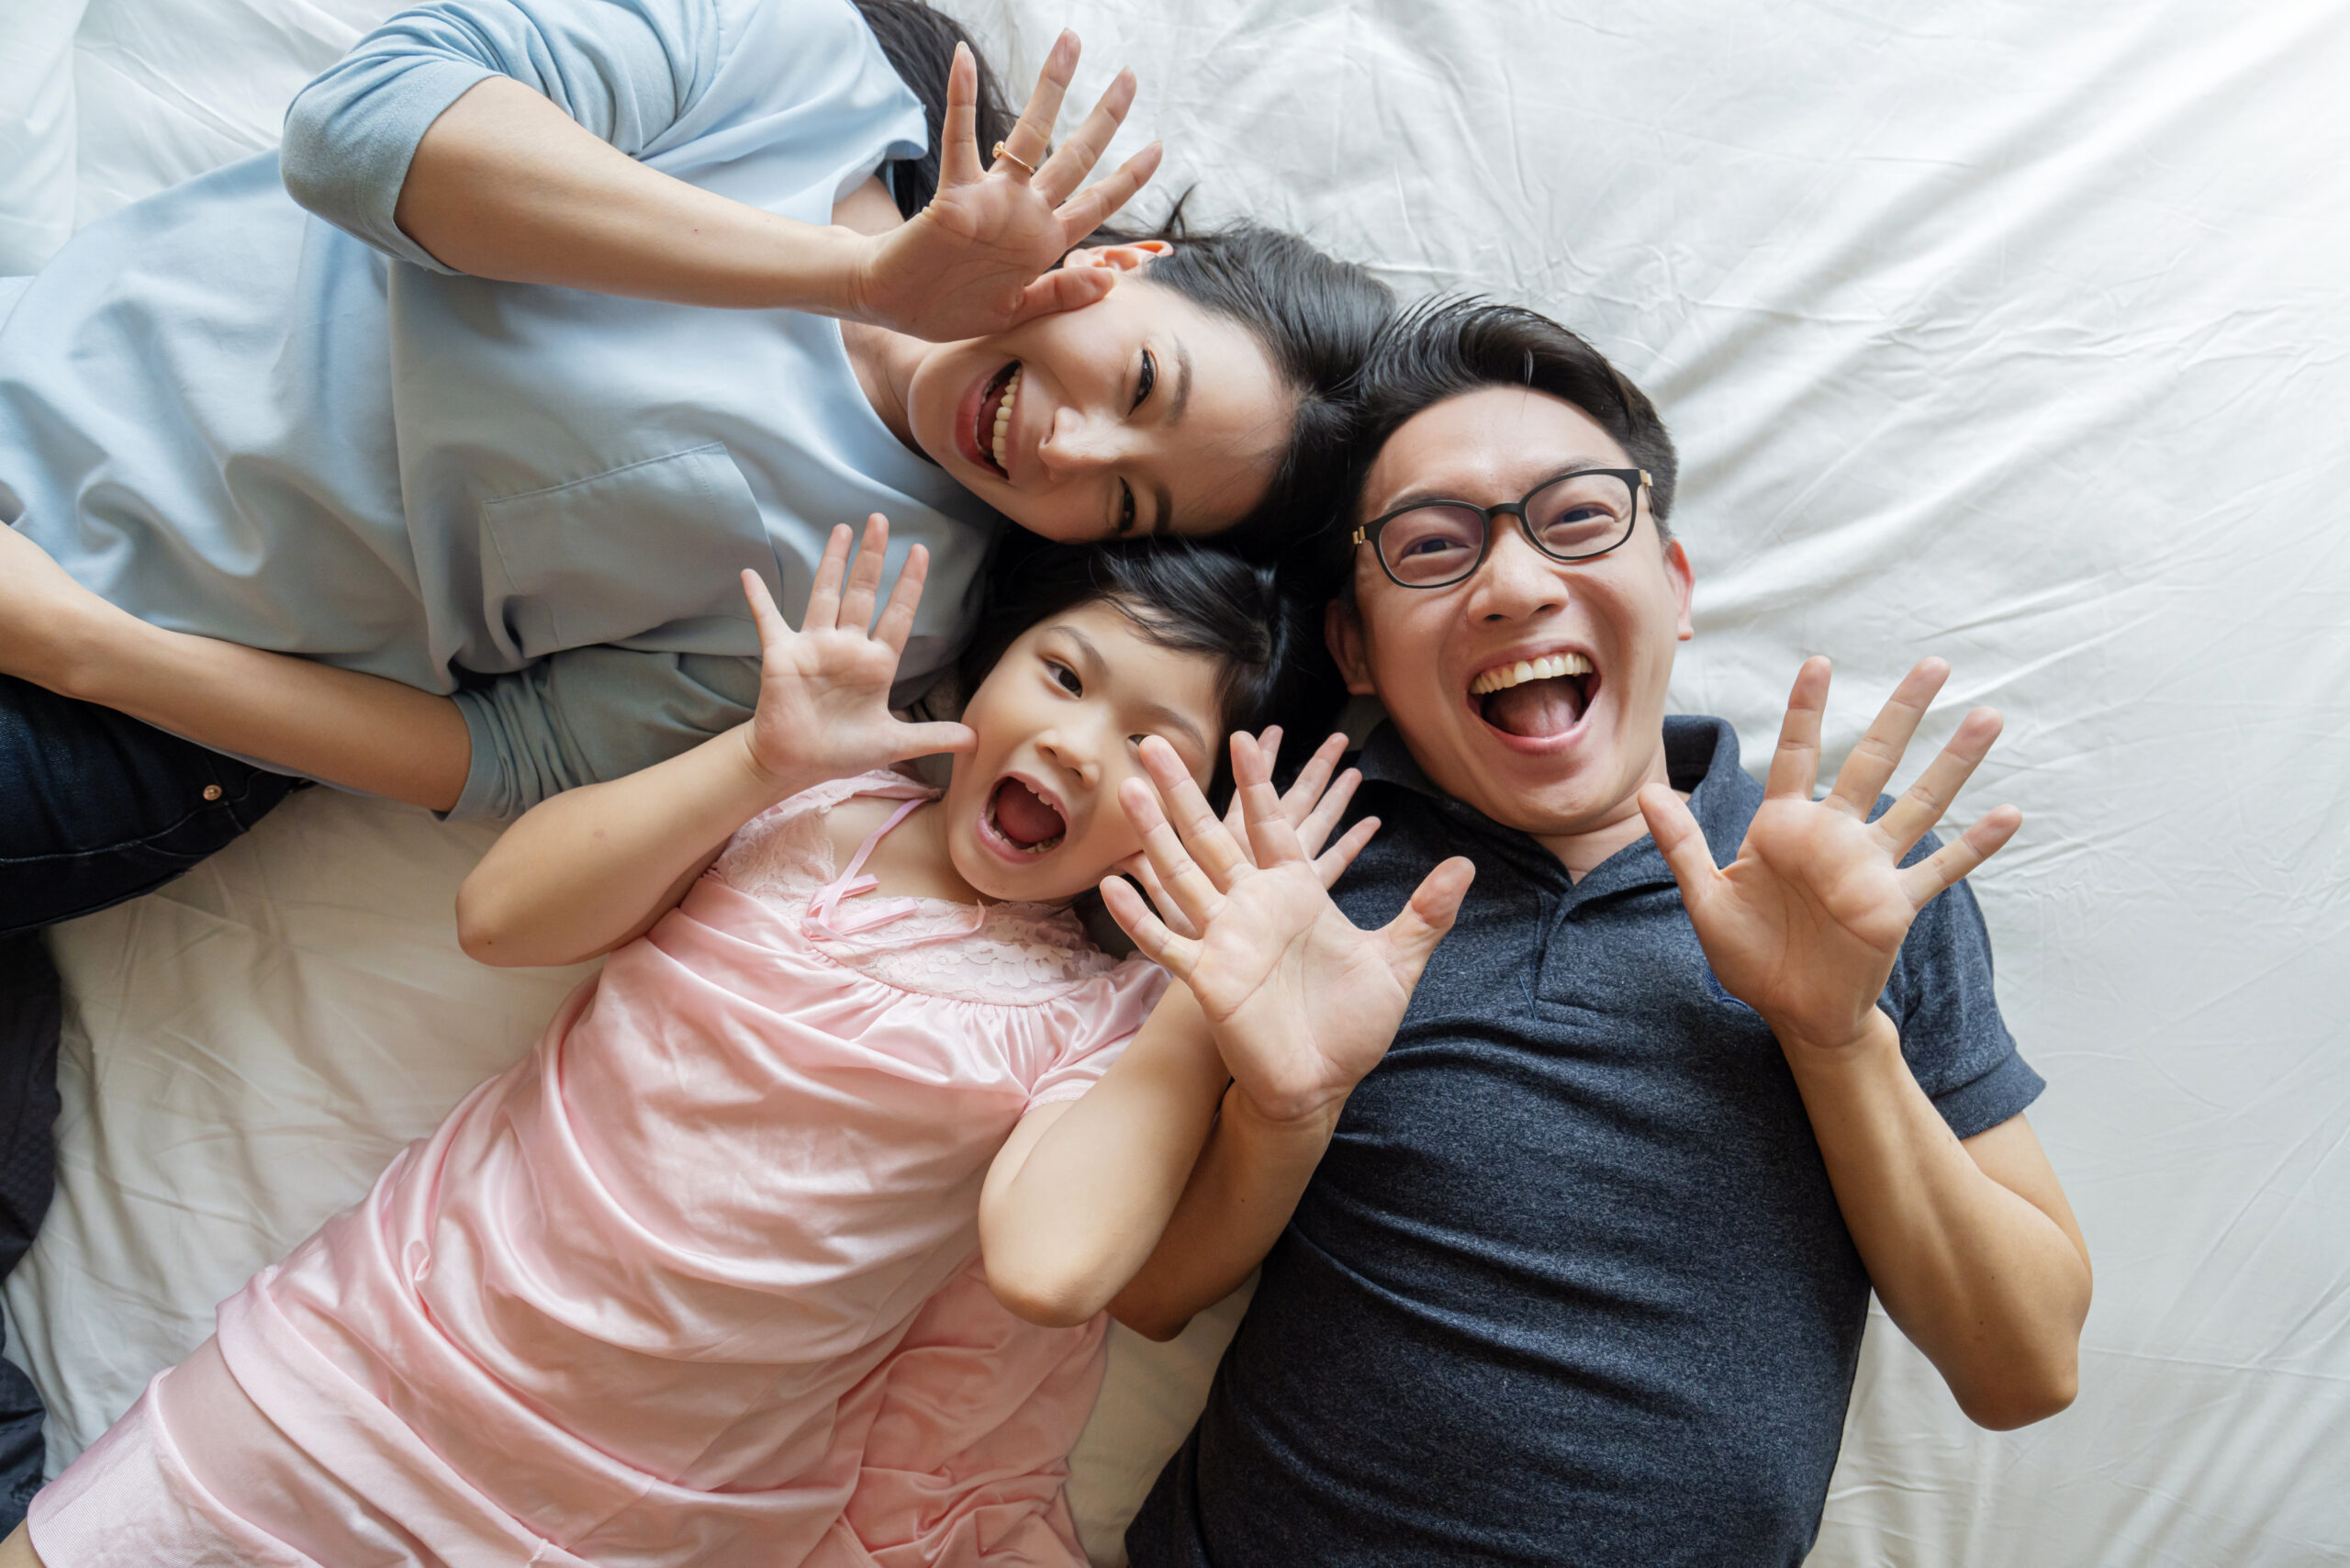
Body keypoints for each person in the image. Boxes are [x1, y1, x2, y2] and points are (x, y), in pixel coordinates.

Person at [0, 0, 1393, 1511]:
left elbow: (502, 759)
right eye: (1139, 387)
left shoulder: (888, 610)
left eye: (1126, 506)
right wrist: (856, 280)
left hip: (130, 707)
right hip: (48, 397)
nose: (1071, 451)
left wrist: (87, 649)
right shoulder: (799, 65)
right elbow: (360, 133)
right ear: (1124, 264)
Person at [0, 515, 1379, 1567]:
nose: (1077, 744)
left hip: (641, 1519)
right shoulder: (810, 809)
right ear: (993, 661)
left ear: (1203, 819)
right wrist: (762, 761)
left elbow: (1055, 1270)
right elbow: (501, 917)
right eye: (1062, 675)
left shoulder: (1107, 1020)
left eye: (1153, 751)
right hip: (354, 1378)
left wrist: (1204, 987)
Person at [1091, 298, 2096, 1565]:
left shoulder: (1861, 878)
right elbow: (1148, 1295)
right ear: (1354, 646)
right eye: (1432, 546)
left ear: (1673, 588)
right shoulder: (1311, 873)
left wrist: (1836, 1037)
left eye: (1575, 520)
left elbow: (2025, 1370)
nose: (1516, 586)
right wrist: (1282, 1113)